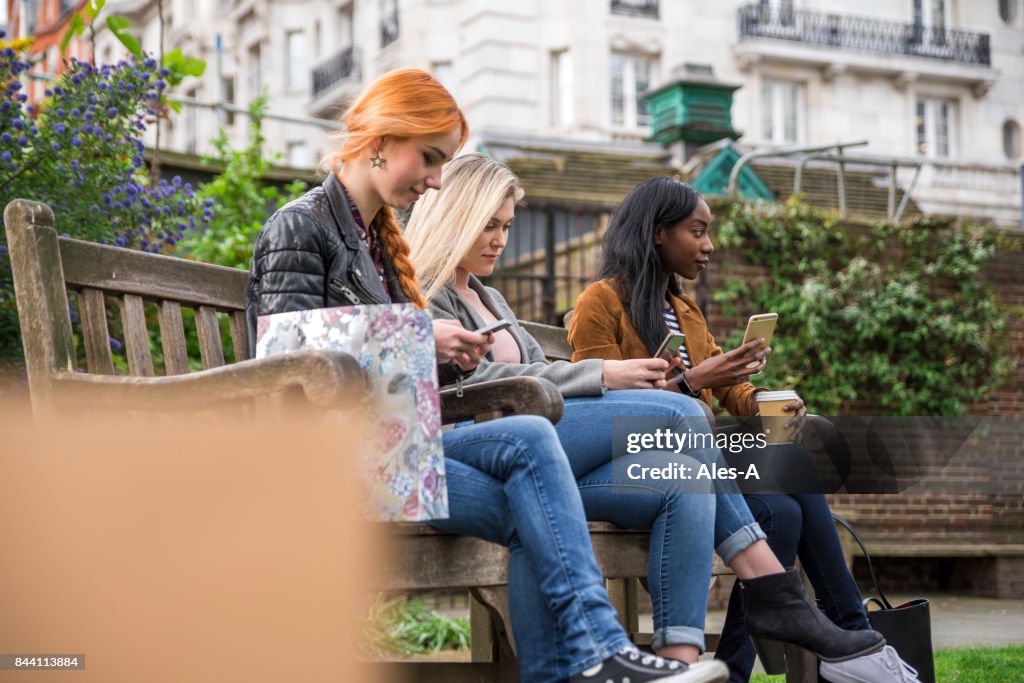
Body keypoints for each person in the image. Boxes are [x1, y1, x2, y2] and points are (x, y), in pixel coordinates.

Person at [244, 69, 729, 683]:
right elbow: (282, 365)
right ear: (379, 140)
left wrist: (444, 353)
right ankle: (601, 652)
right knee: (531, 441)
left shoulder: (379, 242)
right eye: (430, 157)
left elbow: (394, 377)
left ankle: (573, 670)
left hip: (402, 451)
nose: (436, 179)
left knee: (538, 503)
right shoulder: (301, 226)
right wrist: (423, 337)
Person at [403, 153, 886, 677]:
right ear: (452, 217)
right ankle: (772, 586)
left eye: (505, 226)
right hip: (491, 447)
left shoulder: (491, 297)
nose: (500, 239)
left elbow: (540, 372)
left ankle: (678, 661)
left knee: (690, 478)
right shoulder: (425, 296)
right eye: (487, 225)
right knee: (681, 415)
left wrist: (745, 391)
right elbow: (475, 388)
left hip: (560, 452)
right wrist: (610, 376)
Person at [566, 176, 920, 683]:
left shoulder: (684, 309)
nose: (709, 245)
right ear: (658, 232)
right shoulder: (599, 303)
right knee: (779, 512)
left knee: (788, 490)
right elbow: (600, 414)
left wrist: (762, 400)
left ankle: (837, 640)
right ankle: (842, 643)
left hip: (704, 453)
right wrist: (693, 381)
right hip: (641, 460)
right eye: (698, 231)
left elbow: (727, 389)